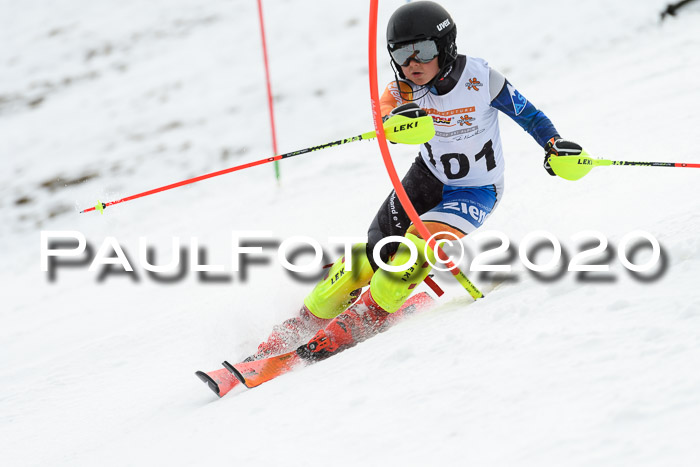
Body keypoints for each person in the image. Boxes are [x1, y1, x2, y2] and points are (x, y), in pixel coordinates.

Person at [248, 1, 584, 361]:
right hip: (428, 176)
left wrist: (554, 145)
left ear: (446, 46)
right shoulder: (404, 89)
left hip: (477, 188)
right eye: (401, 54)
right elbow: (384, 114)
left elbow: (529, 115)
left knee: (416, 245)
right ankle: (302, 322)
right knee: (372, 255)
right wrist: (395, 122)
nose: (413, 64)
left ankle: (367, 315)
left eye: (422, 51)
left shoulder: (481, 78)